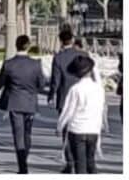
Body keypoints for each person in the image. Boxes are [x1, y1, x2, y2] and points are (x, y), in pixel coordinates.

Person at [0, 34, 46, 174]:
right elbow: (42, 84)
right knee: (27, 133)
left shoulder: (9, 64)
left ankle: (22, 166)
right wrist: (33, 90)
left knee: (18, 134)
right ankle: (24, 157)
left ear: (16, 45)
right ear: (28, 46)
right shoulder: (36, 64)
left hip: (14, 103)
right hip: (30, 103)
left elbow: (1, 81)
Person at [57, 55, 105, 174]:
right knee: (90, 161)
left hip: (77, 129)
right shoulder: (99, 89)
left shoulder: (76, 89)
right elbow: (101, 108)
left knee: (80, 164)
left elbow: (68, 110)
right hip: (93, 129)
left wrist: (60, 126)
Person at [48, 26, 87, 173]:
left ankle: (69, 162)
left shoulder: (58, 58)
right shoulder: (82, 55)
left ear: (61, 41)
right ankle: (81, 160)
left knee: (67, 131)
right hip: (82, 97)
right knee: (81, 128)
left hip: (64, 98)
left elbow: (55, 80)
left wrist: (51, 95)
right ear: (72, 40)